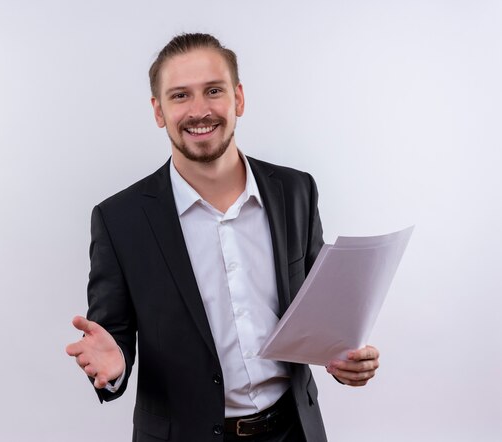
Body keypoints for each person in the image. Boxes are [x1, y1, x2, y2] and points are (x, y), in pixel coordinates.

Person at [66, 33, 380, 442]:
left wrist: (344, 356)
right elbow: (112, 337)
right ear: (158, 111)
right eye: (180, 96)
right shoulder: (118, 219)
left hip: (295, 431)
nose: (199, 111)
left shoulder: (296, 191)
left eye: (213, 91)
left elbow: (319, 314)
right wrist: (116, 366)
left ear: (239, 99)